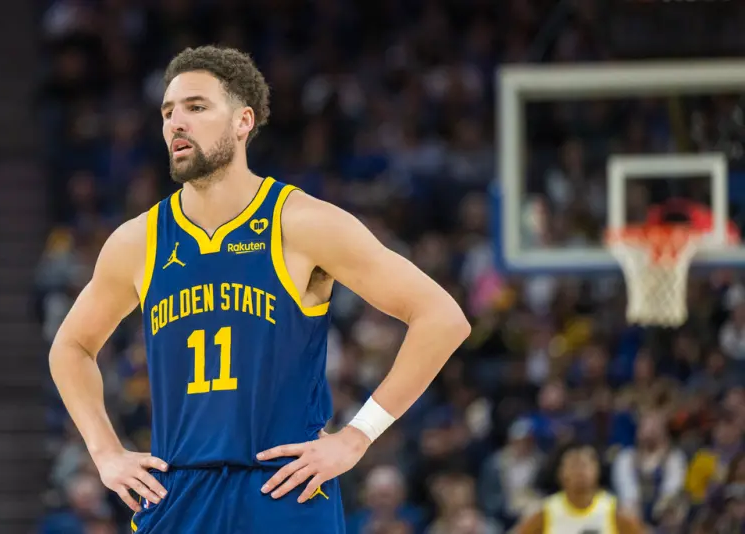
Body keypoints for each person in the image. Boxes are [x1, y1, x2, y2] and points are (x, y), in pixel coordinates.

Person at [48, 45, 470, 534]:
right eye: (168, 112)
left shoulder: (302, 222)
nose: (176, 123)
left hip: (283, 491)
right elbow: (71, 347)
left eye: (196, 107)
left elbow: (442, 318)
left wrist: (358, 436)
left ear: (243, 121)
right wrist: (105, 452)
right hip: (177, 493)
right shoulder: (138, 241)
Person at [514, 443, 644, 534]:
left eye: (584, 465)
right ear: (560, 473)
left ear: (597, 471)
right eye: (573, 465)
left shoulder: (616, 513)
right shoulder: (544, 513)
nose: (579, 471)